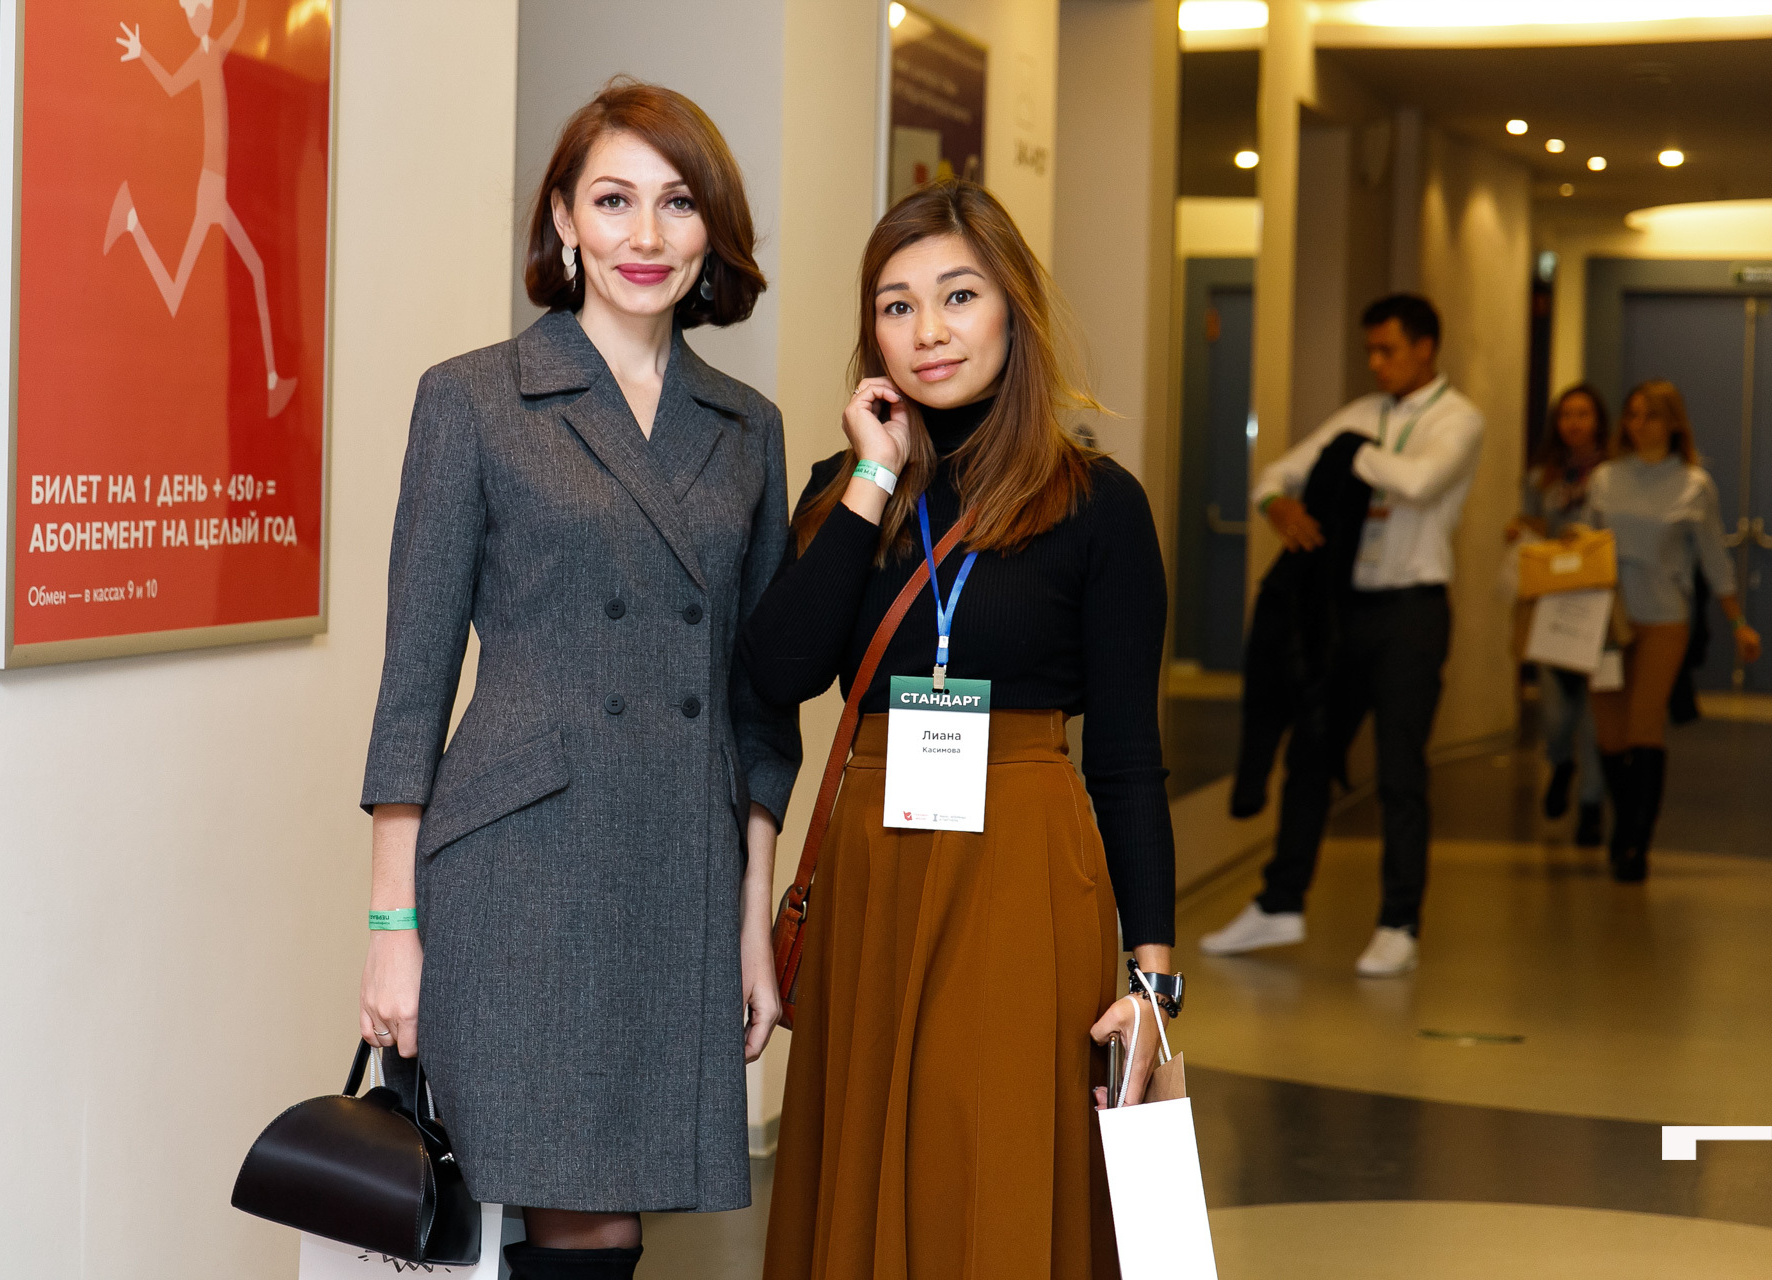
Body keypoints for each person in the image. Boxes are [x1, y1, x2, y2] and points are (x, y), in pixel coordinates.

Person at [356, 81, 801, 1280]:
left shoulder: (747, 426)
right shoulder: (472, 397)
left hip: (680, 863)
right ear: (563, 218)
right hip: (520, 868)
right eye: (613, 200)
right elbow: (414, 681)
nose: (644, 235)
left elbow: (761, 702)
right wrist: (392, 924)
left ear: (712, 230)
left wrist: (753, 918)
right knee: (564, 1209)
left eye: (677, 203)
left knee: (605, 1222)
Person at [743, 180, 1179, 1280]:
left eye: (957, 295)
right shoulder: (849, 490)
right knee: (869, 1150)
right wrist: (871, 477)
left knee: (987, 1152)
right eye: (896, 305)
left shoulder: (1098, 504)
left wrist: (1154, 980)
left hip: (1021, 865)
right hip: (876, 864)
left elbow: (1128, 758)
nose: (927, 330)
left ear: (1013, 309)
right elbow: (779, 672)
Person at [1201, 294, 1483, 977]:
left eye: (1389, 350)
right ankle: (1279, 903)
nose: (1377, 363)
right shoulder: (1363, 413)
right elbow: (1274, 475)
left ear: (1425, 348)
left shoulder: (1459, 418)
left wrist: (1351, 455)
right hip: (1344, 612)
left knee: (1399, 768)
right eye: (1370, 352)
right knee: (1311, 753)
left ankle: (1399, 923)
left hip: (1412, 611)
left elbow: (1419, 482)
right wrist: (1280, 505)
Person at [1588, 381, 1761, 881]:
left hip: (1664, 617)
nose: (1639, 425)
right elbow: (1585, 543)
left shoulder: (1693, 484)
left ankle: (1637, 842)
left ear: (1672, 423)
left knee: (1644, 725)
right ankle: (1624, 821)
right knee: (1610, 733)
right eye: (1632, 415)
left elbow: (1713, 557)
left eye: (1651, 416)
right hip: (1606, 620)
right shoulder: (1605, 478)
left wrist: (1738, 623)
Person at [106, 0, 297, 417]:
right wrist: (143, 53)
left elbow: (241, 19)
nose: (202, 14)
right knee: (217, 281)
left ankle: (272, 381)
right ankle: (132, 223)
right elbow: (171, 85)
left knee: (248, 271)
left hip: (218, 190)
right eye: (196, 10)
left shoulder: (216, 50)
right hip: (211, 189)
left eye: (205, 7)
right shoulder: (200, 57)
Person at [1509, 384, 1611, 846]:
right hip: (1553, 603)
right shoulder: (1541, 478)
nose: (1574, 423)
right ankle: (1561, 763)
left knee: (1594, 716)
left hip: (1601, 605)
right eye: (1566, 414)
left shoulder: (1612, 475)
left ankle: (1591, 804)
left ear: (1598, 420)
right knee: (1554, 713)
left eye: (1583, 414)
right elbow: (1530, 526)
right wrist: (1518, 531)